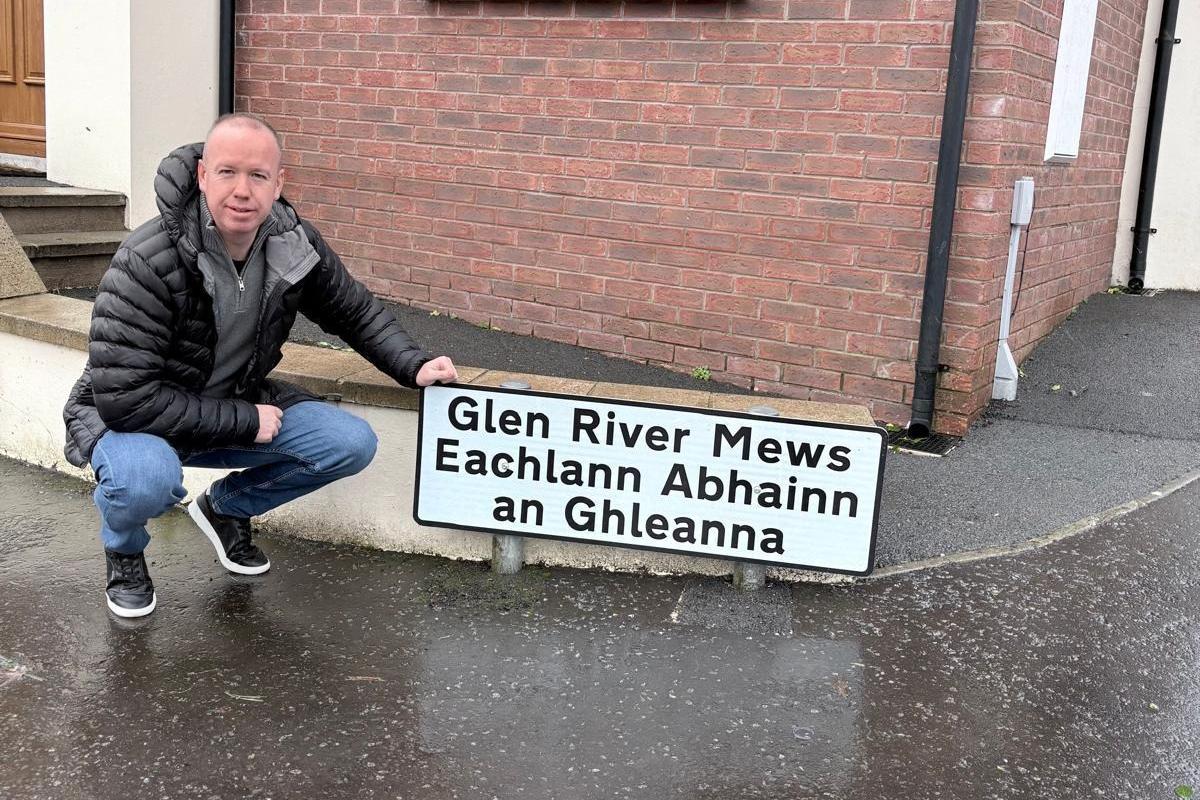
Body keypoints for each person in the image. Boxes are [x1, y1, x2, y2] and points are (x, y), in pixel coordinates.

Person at [61, 113, 458, 618]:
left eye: (258, 176)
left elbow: (353, 311)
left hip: (230, 401)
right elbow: (126, 399)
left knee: (348, 444)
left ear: (279, 183)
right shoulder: (147, 258)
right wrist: (247, 421)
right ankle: (123, 549)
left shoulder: (294, 243)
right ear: (203, 175)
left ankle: (225, 509)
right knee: (144, 481)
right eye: (227, 173)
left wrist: (414, 365)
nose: (242, 191)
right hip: (135, 421)